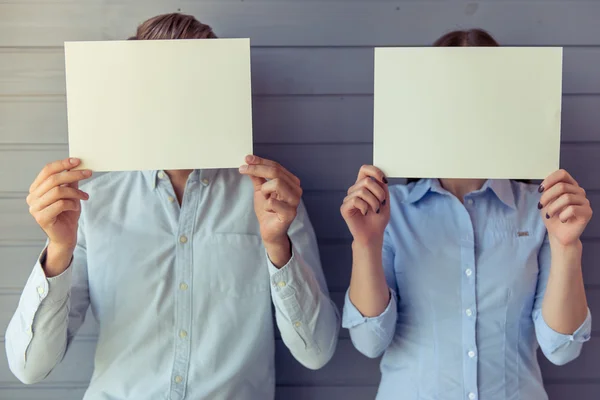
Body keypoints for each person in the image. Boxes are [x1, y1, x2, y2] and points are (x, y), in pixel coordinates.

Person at [5, 13, 340, 400]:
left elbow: (317, 352)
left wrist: (278, 247)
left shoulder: (272, 199)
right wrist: (58, 251)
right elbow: (29, 367)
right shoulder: (91, 201)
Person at [341, 29, 593, 400]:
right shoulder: (389, 211)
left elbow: (562, 348)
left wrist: (567, 247)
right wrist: (365, 242)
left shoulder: (541, 211)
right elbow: (368, 341)